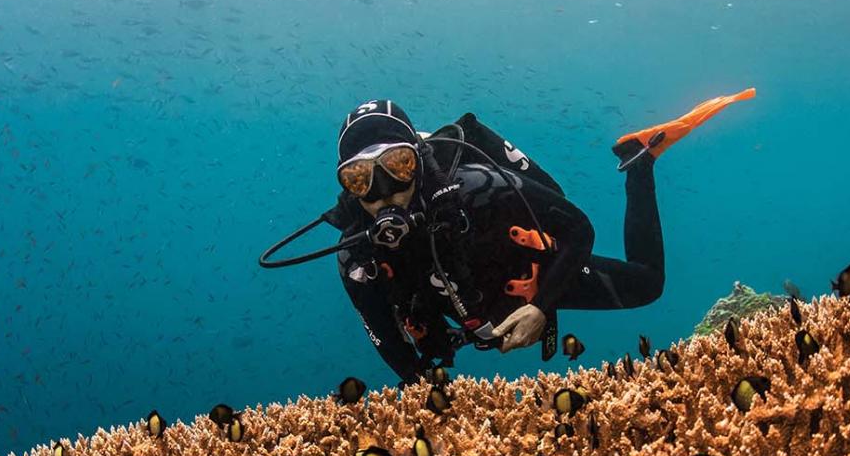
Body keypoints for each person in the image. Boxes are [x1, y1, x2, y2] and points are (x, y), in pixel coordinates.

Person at [259, 93, 752, 385]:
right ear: (345, 187)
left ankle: (639, 161)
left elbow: (578, 227)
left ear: (419, 160)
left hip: (535, 276)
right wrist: (434, 403)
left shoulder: (477, 189)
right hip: (474, 310)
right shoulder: (356, 254)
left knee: (649, 285)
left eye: (398, 167)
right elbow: (389, 342)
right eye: (362, 179)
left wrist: (543, 303)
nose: (385, 192)